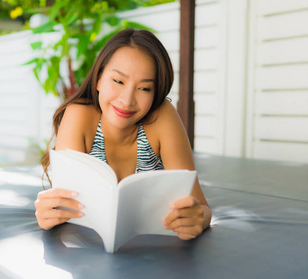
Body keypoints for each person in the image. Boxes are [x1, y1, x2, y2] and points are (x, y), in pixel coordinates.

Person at [35, 28, 211, 241]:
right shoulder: (79, 117)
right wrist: (49, 212)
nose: (127, 100)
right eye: (118, 81)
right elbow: (62, 204)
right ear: (98, 79)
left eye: (144, 88)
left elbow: (202, 207)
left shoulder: (162, 117)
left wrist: (197, 218)